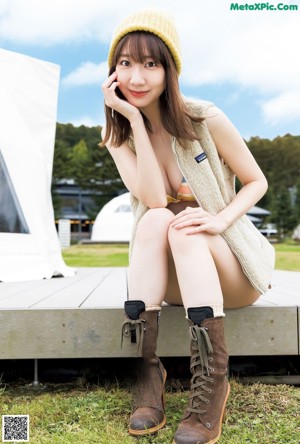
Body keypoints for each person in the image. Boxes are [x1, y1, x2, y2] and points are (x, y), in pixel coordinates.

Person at [101, 9, 275, 444]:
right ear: (112, 73)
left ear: (168, 70)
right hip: (176, 281)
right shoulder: (118, 136)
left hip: (228, 268)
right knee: (160, 217)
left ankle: (214, 383)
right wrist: (136, 123)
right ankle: (148, 373)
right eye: (125, 63)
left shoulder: (203, 118)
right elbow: (155, 198)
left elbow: (257, 182)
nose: (136, 77)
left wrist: (217, 220)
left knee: (184, 228)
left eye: (150, 64)